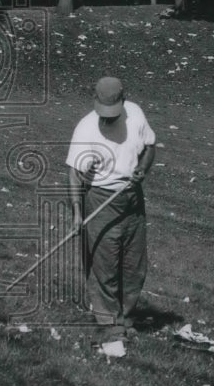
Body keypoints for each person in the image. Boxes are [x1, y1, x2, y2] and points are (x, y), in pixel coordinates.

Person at [65, 77, 157, 356]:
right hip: (101, 198)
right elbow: (74, 175)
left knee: (134, 264)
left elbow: (150, 146)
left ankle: (126, 319)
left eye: (112, 114)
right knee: (104, 266)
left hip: (131, 197)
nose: (107, 120)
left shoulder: (136, 114)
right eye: (103, 114)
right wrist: (78, 213)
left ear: (123, 101)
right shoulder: (86, 130)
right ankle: (108, 325)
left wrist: (142, 167)